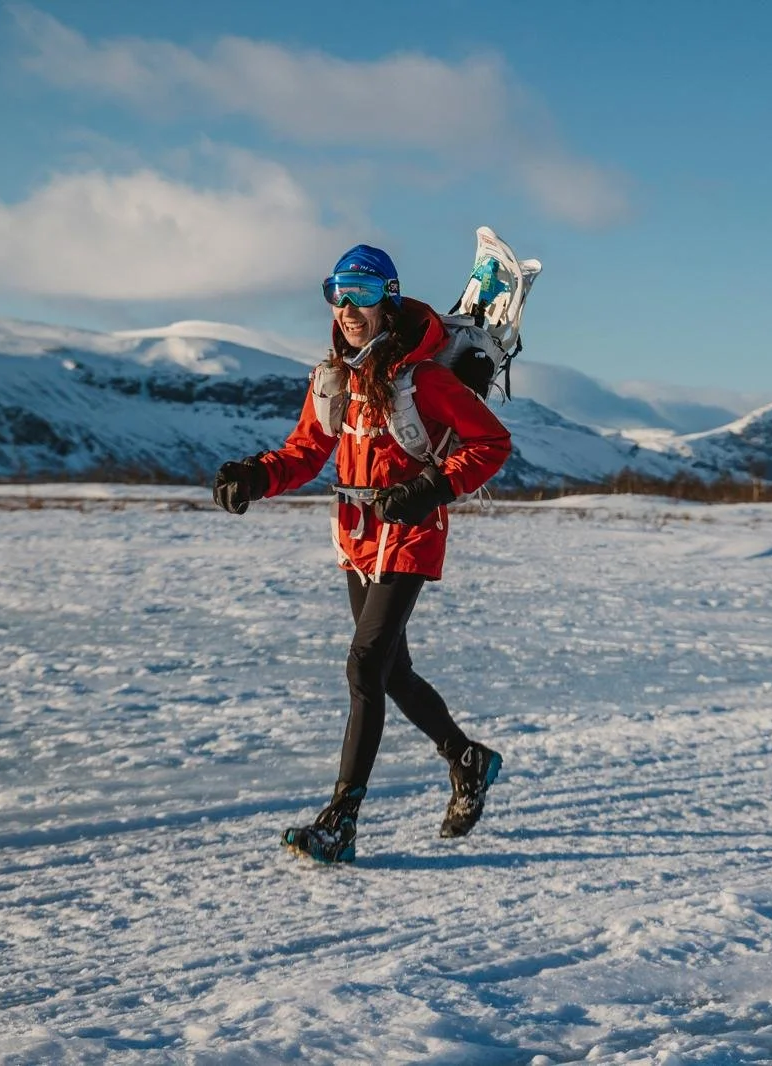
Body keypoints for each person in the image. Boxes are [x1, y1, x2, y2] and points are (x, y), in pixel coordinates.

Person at [212, 244, 513, 864]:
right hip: (355, 533)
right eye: (338, 292)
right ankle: (467, 757)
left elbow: (490, 442)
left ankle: (341, 820)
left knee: (365, 665)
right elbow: (304, 450)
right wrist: (255, 475)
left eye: (364, 292)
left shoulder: (424, 379)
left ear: (390, 300)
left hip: (411, 530)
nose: (348, 306)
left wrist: (431, 486)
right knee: (391, 672)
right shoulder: (334, 379)